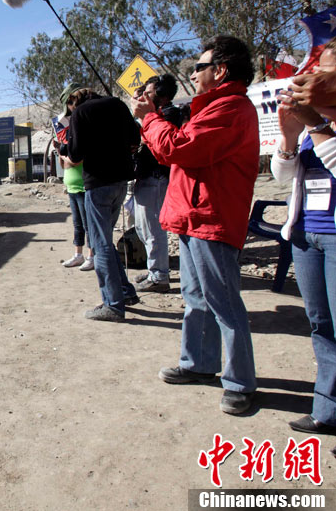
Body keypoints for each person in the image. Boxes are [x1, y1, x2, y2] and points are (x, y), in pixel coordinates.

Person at [131, 35, 259, 415]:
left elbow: (180, 148)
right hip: (192, 217)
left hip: (212, 219)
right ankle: (198, 363)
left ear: (220, 70)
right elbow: (171, 151)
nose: (193, 74)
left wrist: (149, 118)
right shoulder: (211, 107)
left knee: (224, 305)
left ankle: (239, 383)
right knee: (196, 299)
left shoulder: (231, 108)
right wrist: (152, 120)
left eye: (198, 67)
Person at [271, 38, 336, 437]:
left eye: (324, 73)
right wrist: (290, 138)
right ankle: (327, 410)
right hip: (305, 235)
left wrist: (317, 124)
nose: (312, 79)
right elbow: (282, 176)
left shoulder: (321, 120)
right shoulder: (314, 121)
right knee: (320, 325)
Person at [63, 87, 140, 322]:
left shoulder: (80, 113)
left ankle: (113, 305)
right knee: (105, 240)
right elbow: (136, 139)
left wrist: (65, 148)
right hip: (121, 183)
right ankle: (125, 291)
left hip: (97, 185)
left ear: (73, 102)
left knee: (100, 244)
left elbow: (75, 155)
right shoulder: (117, 104)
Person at [132, 75, 182, 293]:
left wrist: (146, 118)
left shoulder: (170, 115)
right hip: (145, 176)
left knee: (153, 230)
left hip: (156, 177)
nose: (144, 95)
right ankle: (155, 269)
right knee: (143, 228)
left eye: (149, 92)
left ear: (161, 95)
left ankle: (160, 276)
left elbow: (158, 142)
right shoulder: (155, 116)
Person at [57, 88, 94, 272]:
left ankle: (92, 255)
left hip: (83, 185)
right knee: (77, 224)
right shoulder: (67, 130)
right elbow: (65, 163)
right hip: (72, 186)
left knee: (88, 225)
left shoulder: (84, 131)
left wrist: (62, 155)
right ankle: (78, 254)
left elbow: (75, 159)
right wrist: (61, 152)